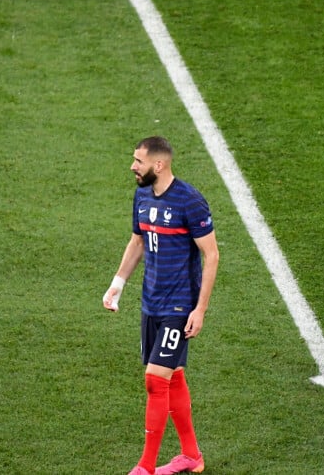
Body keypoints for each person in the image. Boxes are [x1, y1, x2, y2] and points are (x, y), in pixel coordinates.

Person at [103, 136, 219, 475]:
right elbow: (138, 241)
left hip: (180, 305)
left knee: (155, 380)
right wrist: (117, 284)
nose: (132, 166)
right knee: (174, 377)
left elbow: (211, 255)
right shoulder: (141, 195)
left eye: (138, 161)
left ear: (159, 164)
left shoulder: (189, 200)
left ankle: (145, 467)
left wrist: (200, 309)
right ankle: (191, 456)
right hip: (150, 303)